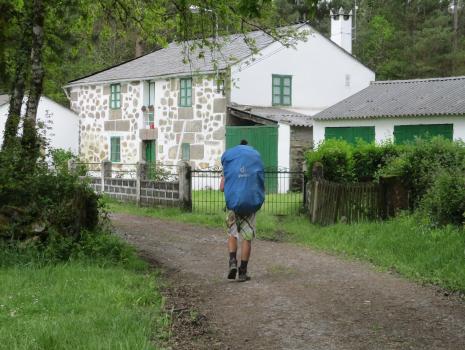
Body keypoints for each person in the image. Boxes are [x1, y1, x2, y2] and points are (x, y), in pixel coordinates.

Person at [220, 139, 265, 282]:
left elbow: (222, 187)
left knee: (232, 234)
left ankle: (232, 262)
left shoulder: (230, 164)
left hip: (233, 205)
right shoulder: (254, 161)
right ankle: (243, 272)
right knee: (247, 237)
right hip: (250, 205)